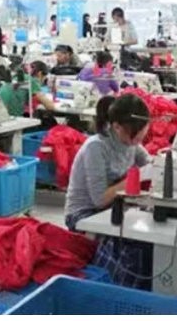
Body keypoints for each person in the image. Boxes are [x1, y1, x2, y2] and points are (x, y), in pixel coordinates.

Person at [64, 94, 153, 288]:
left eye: (142, 134)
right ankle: (114, 292)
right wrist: (135, 178)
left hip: (112, 209)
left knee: (147, 239)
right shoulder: (96, 147)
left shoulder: (131, 143)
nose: (139, 139)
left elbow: (152, 164)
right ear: (117, 127)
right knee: (126, 247)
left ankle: (143, 291)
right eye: (136, 135)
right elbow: (99, 199)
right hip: (83, 215)